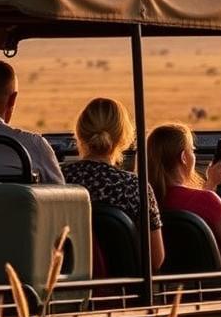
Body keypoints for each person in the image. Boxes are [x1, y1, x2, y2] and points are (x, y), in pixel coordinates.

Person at [147, 123, 221, 271]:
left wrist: (211, 182)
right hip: (212, 291)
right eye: (192, 150)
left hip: (162, 291)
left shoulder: (146, 201)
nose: (194, 155)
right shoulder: (207, 201)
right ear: (184, 157)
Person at [63, 98, 165, 271]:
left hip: (71, 291)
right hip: (125, 292)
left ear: (80, 134)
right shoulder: (135, 186)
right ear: (124, 137)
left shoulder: (60, 181)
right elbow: (156, 259)